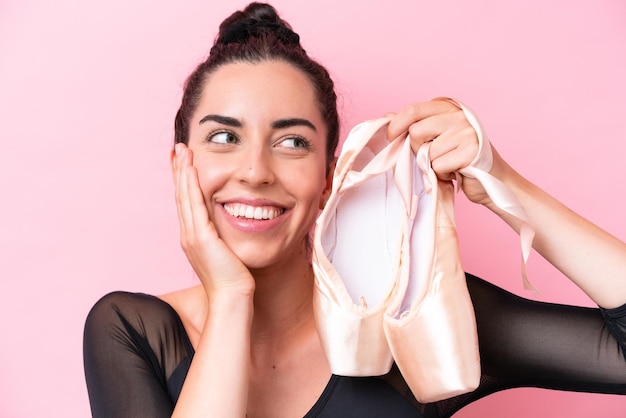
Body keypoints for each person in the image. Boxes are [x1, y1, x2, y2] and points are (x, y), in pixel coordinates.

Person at [82, 2, 626, 417]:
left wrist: (502, 181)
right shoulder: (132, 330)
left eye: (291, 142)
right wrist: (230, 298)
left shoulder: (413, 318)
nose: (254, 171)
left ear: (328, 178)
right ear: (182, 162)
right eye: (224, 136)